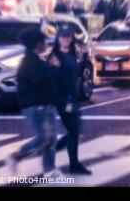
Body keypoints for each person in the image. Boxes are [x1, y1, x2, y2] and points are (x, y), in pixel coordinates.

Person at [7, 28, 62, 179]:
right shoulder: (30, 62)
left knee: (51, 139)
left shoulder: (35, 60)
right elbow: (43, 80)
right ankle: (16, 156)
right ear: (37, 43)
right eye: (44, 41)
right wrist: (54, 67)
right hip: (37, 105)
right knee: (43, 138)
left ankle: (50, 170)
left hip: (44, 104)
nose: (46, 44)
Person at [49, 25, 92, 175]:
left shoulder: (71, 53)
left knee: (74, 131)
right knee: (73, 131)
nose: (66, 39)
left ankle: (53, 150)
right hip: (64, 100)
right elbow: (54, 81)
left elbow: (76, 74)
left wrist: (85, 57)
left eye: (68, 36)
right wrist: (66, 100)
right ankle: (72, 164)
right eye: (63, 36)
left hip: (72, 98)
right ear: (58, 38)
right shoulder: (55, 56)